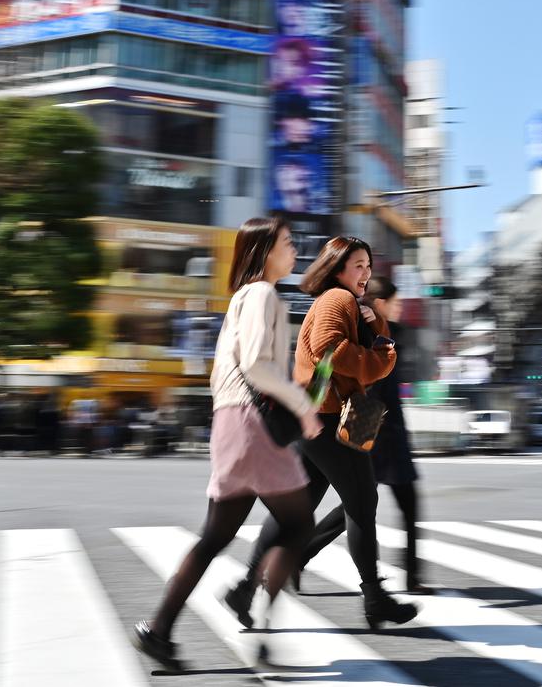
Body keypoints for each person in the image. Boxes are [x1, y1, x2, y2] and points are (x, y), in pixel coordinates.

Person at [132, 217, 322, 672]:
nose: (295, 250)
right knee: (298, 527)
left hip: (230, 422)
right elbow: (258, 365)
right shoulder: (261, 295)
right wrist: (304, 406)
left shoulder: (243, 297)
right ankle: (260, 634)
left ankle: (158, 631)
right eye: (288, 243)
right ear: (264, 251)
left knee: (215, 535)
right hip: (256, 425)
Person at [225, 237, 419, 631]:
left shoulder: (346, 302)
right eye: (358, 266)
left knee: (297, 510)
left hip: (313, 419)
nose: (365, 273)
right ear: (337, 268)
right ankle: (375, 598)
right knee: (363, 501)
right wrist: (380, 357)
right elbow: (329, 347)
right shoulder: (337, 299)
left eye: (368, 265)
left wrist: (375, 327)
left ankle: (245, 586)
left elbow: (365, 343)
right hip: (328, 420)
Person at [290, 276, 433, 594]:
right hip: (374, 431)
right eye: (395, 303)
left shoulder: (386, 331)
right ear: (380, 303)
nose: (398, 308)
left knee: (356, 504)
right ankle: (301, 557)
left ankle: (299, 555)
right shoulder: (369, 330)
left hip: (383, 431)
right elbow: (362, 380)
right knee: (359, 505)